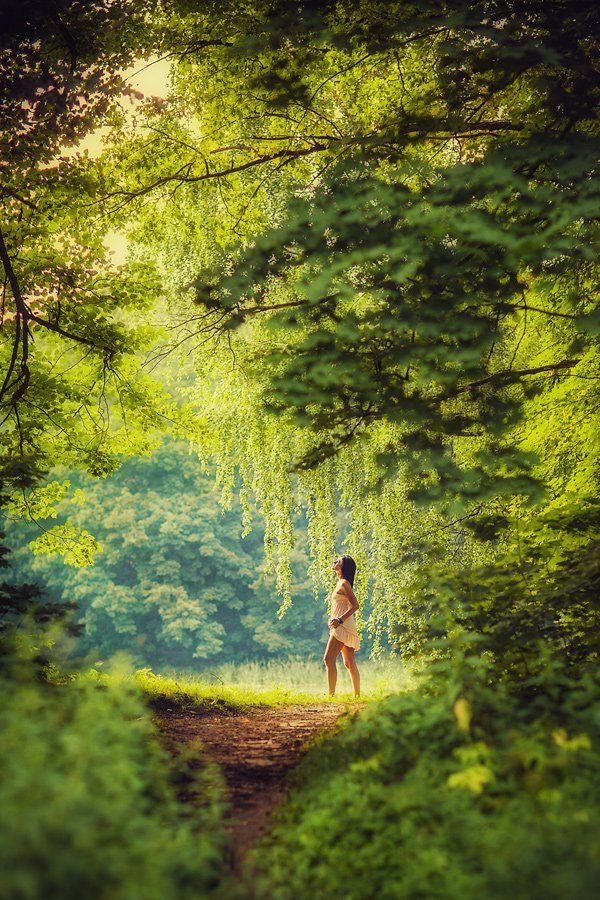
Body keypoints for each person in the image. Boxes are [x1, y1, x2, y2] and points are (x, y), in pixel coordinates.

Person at [323, 554, 361, 698]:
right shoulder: (340, 582)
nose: (334, 562)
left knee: (328, 659)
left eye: (337, 561)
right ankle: (357, 696)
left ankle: (331, 696)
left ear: (343, 567)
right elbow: (340, 605)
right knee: (348, 662)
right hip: (340, 624)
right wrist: (333, 619)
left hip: (343, 626)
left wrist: (340, 620)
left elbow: (355, 605)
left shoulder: (344, 583)